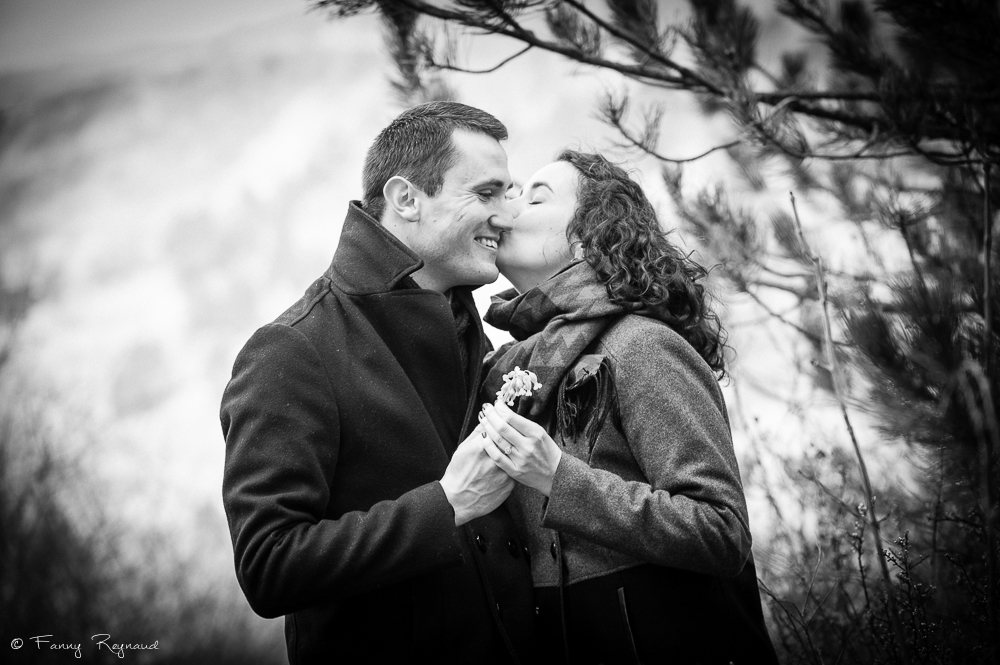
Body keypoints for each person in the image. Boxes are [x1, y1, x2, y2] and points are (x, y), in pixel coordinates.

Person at [220, 102, 537, 665]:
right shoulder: (292, 350)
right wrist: (446, 504)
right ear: (406, 199)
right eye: (485, 194)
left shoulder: (467, 327)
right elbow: (269, 566)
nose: (504, 216)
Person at [478, 150, 779, 664]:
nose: (510, 207)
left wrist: (558, 478)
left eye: (535, 196)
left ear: (585, 236)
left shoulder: (640, 346)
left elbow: (721, 529)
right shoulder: (511, 372)